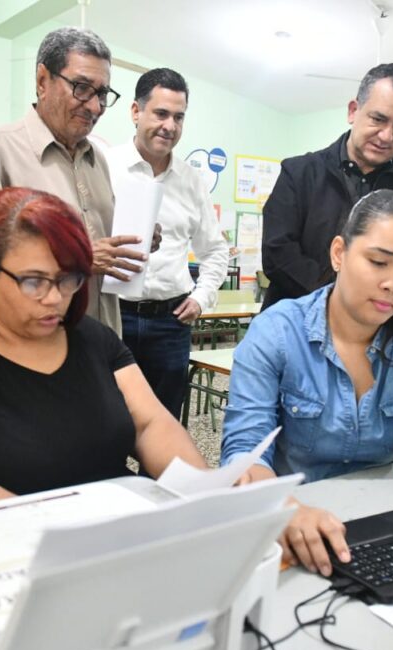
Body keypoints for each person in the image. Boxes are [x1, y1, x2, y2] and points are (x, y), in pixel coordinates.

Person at [221, 189, 393, 577]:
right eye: (378, 262)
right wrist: (284, 509)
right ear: (339, 253)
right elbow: (244, 454)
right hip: (293, 521)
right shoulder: (278, 331)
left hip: (381, 518)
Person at [0, 188, 206, 511]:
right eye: (33, 281)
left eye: (68, 279)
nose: (54, 298)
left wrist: (205, 490)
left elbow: (150, 424)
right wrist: (54, 531)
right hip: (11, 543)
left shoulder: (94, 340)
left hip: (110, 533)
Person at [0, 27, 152, 336]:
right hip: (32, 347)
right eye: (81, 88)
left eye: (102, 94)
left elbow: (103, 251)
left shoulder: (97, 159)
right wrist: (77, 259)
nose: (95, 107)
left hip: (102, 340)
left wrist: (137, 236)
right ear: (43, 81)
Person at [260, 63, 393, 309]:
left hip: (382, 334)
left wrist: (380, 312)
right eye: (378, 119)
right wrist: (341, 303)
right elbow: (278, 254)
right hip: (296, 324)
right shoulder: (299, 173)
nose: (386, 136)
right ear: (353, 111)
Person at [106, 68, 229, 418]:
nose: (169, 126)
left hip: (170, 324)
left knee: (164, 423)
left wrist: (201, 298)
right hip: (114, 317)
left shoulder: (192, 181)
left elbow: (215, 249)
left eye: (178, 117)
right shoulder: (104, 166)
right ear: (135, 112)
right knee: (107, 420)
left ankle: (156, 478)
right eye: (161, 113)